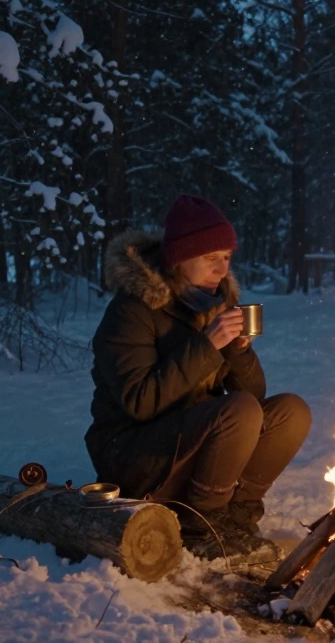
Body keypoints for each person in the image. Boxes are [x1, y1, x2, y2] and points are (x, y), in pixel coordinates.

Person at [85, 194, 312, 563]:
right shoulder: (131, 311)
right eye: (211, 258)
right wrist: (207, 345)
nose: (222, 270)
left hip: (195, 443)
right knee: (237, 411)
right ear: (179, 259)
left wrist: (237, 351)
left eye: (226, 258)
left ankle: (235, 517)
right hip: (134, 456)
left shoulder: (211, 306)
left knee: (291, 411)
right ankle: (200, 527)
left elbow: (254, 397)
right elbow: (140, 402)